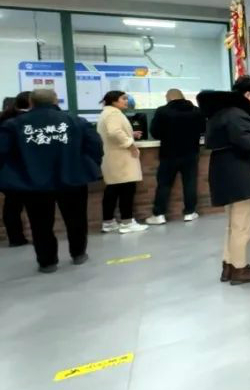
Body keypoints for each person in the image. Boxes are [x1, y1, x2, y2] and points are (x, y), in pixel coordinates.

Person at [0, 89, 102, 272]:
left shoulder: (14, 125)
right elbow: (95, 146)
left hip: (33, 182)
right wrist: (88, 166)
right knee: (76, 219)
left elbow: (3, 152)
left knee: (40, 224)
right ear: (56, 101)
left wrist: (16, 174)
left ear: (31, 102)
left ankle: (47, 262)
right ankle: (78, 253)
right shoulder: (76, 121)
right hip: (73, 178)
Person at [197, 76, 250, 285]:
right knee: (242, 226)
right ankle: (240, 269)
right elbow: (248, 144)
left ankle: (229, 266)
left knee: (233, 225)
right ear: (248, 95)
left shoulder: (219, 113)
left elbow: (237, 141)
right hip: (242, 177)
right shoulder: (237, 114)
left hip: (227, 176)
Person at [146, 89, 206, 225]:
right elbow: (203, 128)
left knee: (164, 184)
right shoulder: (196, 111)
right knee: (190, 183)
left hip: (169, 154)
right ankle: (190, 212)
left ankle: (159, 214)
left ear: (168, 98)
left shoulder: (162, 111)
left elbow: (155, 132)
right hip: (191, 153)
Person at [97, 91, 148, 234]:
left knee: (113, 190)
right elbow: (114, 132)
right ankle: (127, 222)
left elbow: (113, 132)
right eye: (123, 98)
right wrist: (130, 144)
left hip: (113, 159)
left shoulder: (107, 113)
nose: (126, 101)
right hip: (121, 158)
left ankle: (108, 222)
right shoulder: (114, 114)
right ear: (114, 101)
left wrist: (131, 134)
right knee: (126, 190)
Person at [1, 91, 31, 247]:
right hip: (25, 170)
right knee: (32, 205)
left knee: (12, 205)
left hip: (7, 171)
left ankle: (15, 237)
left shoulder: (4, 121)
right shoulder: (24, 122)